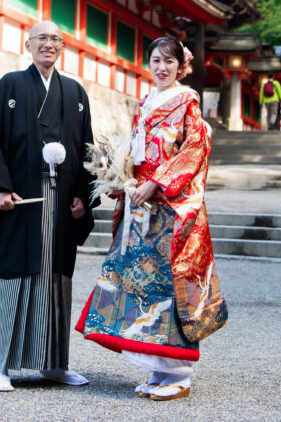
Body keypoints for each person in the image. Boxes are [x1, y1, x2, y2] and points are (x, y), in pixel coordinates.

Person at [76, 37, 228, 401]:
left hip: (171, 207)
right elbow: (135, 150)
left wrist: (159, 183)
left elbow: (195, 150)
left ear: (181, 67)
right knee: (144, 286)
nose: (162, 68)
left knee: (167, 285)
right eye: (156, 60)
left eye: (169, 62)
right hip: (141, 205)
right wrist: (119, 178)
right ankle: (157, 369)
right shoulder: (145, 103)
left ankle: (179, 373)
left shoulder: (187, 102)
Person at [0, 20, 97, 392]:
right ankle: (0, 365)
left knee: (56, 279)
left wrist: (82, 195)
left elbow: (85, 149)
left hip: (60, 203)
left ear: (62, 47)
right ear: (28, 45)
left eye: (56, 39)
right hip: (19, 200)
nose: (49, 44)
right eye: (42, 38)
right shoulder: (10, 85)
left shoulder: (75, 93)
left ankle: (53, 364)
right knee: (14, 275)